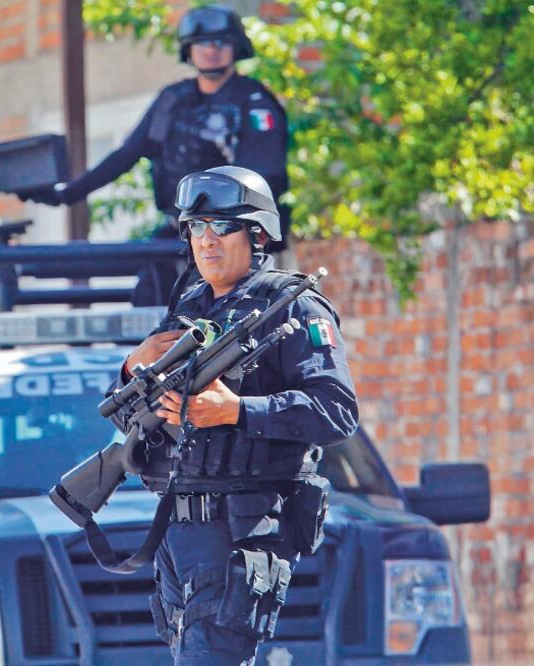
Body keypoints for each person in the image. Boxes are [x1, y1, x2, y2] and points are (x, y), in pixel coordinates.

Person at [110, 166, 358, 665]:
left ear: (258, 233)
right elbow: (126, 415)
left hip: (240, 530)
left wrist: (237, 412)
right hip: (178, 534)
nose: (206, 240)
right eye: (196, 227)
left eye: (222, 226)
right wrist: (131, 366)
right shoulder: (190, 308)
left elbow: (337, 412)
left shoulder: (296, 309)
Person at [28, 5, 290, 305]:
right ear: (188, 51)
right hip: (178, 230)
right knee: (150, 295)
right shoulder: (173, 100)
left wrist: (225, 228)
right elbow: (127, 154)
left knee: (220, 311)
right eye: (202, 43)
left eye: (221, 42)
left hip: (232, 235)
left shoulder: (254, 102)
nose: (211, 50)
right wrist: (67, 193)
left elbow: (265, 176)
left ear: (236, 47)